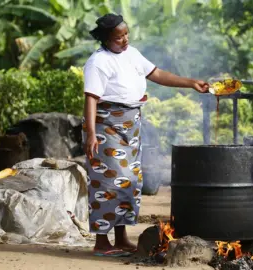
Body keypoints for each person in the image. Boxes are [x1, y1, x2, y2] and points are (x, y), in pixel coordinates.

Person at [82, 13, 209, 257]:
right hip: (106, 127)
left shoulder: (133, 54)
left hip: (132, 126)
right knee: (107, 182)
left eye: (126, 34)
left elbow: (158, 74)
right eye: (118, 37)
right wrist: (91, 134)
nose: (124, 40)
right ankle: (101, 242)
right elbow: (91, 99)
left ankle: (120, 238)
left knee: (129, 181)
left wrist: (191, 82)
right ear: (106, 39)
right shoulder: (98, 62)